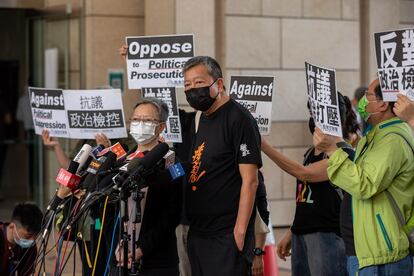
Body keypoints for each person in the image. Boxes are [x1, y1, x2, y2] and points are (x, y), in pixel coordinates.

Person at [313, 78, 414, 275]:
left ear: (383, 104)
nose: (362, 103)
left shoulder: (391, 139)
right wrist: (336, 144)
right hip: (370, 252)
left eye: (367, 96)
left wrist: (333, 151)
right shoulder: (377, 135)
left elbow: (363, 184)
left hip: (381, 257)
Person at [262, 92, 359, 276]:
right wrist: (293, 232)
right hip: (303, 234)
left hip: (328, 236)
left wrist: (264, 146)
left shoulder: (343, 153)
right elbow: (305, 198)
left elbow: (303, 173)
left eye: (317, 114)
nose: (314, 119)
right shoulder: (310, 152)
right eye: (312, 113)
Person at [183, 56, 262, 275]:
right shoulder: (203, 118)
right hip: (200, 233)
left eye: (198, 83)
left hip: (226, 237)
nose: (192, 90)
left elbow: (251, 181)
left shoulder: (239, 118)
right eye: (187, 85)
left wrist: (239, 231)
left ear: (218, 84)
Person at [113, 97, 182, 275]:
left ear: (161, 127)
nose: (139, 124)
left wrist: (140, 250)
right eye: (135, 119)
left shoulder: (174, 163)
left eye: (147, 120)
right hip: (118, 258)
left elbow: (173, 214)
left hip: (156, 261)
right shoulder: (121, 160)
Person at [0, 203, 43, 275]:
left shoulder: (30, 248)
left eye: (35, 236)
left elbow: (26, 273)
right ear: (12, 227)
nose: (32, 240)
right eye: (28, 236)